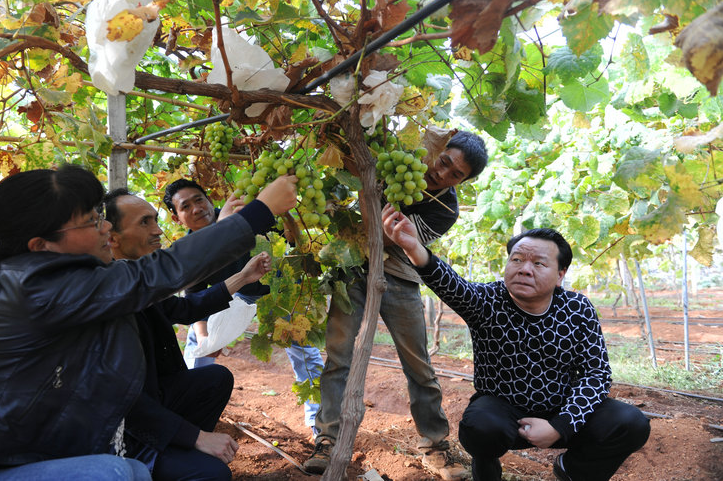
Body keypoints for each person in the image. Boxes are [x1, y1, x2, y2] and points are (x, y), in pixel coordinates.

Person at [0, 165, 297, 480]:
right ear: (40, 245)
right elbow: (159, 273)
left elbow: (170, 299)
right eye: (92, 221)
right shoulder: (37, 287)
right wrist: (256, 214)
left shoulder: (43, 278)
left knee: (131, 467)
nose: (106, 228)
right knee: (113, 473)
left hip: (9, 446)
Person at [381, 214, 651, 481]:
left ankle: (572, 470)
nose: (524, 268)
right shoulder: (488, 301)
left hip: (563, 410)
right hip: (504, 413)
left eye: (538, 263)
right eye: (517, 259)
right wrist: (413, 248)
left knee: (631, 423)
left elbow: (597, 374)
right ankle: (486, 471)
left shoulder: (577, 309)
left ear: (560, 274)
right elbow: (451, 285)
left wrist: (560, 426)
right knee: (479, 428)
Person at [304, 131, 489, 478]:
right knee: (338, 357)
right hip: (352, 265)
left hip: (400, 277)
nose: (442, 173)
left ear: (463, 182)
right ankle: (327, 440)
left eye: (455, 175)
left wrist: (369, 193)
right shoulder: (400, 158)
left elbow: (390, 235)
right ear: (437, 151)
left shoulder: (447, 210)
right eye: (444, 161)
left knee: (419, 365)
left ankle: (434, 446)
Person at [103, 188, 272, 480]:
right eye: (144, 223)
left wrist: (243, 277)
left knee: (214, 379)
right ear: (111, 237)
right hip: (122, 427)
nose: (157, 231)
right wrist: (197, 437)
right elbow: (125, 400)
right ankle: (151, 460)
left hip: (151, 398)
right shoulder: (109, 293)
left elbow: (183, 308)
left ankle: (173, 450)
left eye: (155, 220)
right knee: (214, 474)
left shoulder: (136, 281)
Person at [164, 179, 324, 439]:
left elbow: (288, 236)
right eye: (186, 206)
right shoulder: (191, 249)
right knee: (198, 349)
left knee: (305, 354)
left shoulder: (242, 213)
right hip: (230, 298)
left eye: (199, 199)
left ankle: (320, 427)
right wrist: (206, 339)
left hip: (276, 294)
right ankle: (190, 419)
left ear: (209, 199)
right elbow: (195, 298)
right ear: (176, 216)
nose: (196, 208)